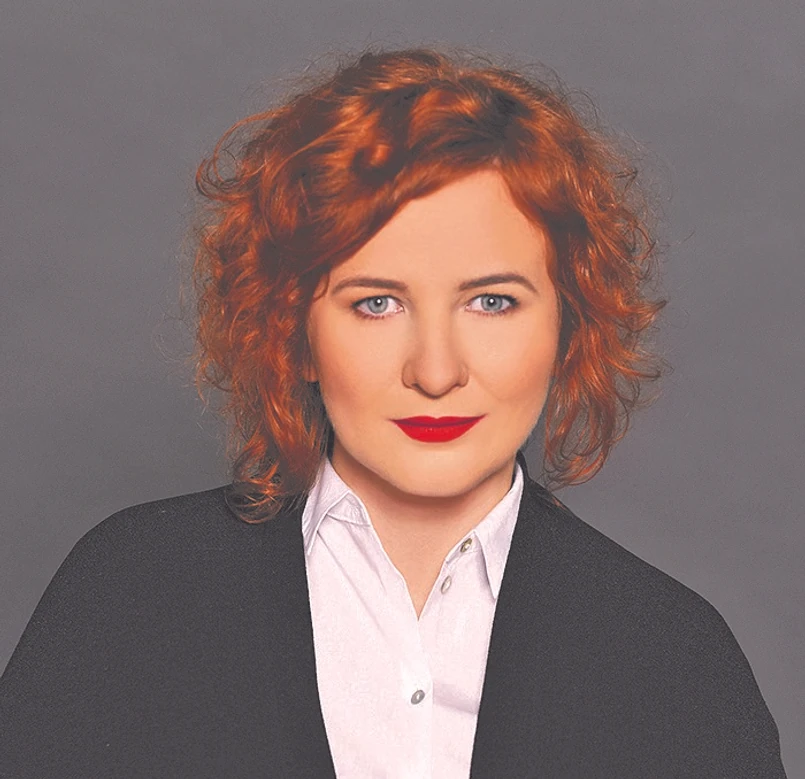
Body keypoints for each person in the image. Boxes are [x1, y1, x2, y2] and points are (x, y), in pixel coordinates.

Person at [0, 45, 787, 778]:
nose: (435, 371)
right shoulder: (130, 595)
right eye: (376, 302)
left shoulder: (676, 659)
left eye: (491, 301)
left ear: (568, 325)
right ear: (294, 331)